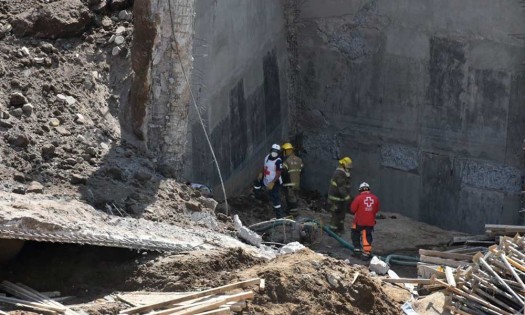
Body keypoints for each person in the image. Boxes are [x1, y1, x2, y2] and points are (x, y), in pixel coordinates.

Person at [350, 182, 380, 260]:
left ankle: (357, 250)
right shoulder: (375, 198)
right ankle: (366, 254)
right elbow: (376, 210)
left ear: (360, 190)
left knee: (355, 233)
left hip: (359, 222)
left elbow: (353, 209)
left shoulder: (358, 198)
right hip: (370, 222)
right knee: (367, 236)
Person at [327, 157, 353, 234]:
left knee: (341, 215)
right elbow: (341, 188)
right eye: (348, 166)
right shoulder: (339, 173)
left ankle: (340, 229)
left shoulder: (344, 173)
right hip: (335, 199)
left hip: (341, 199)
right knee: (335, 215)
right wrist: (348, 198)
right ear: (343, 165)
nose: (349, 168)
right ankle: (333, 231)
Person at [262, 144, 284, 218]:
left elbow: (278, 173)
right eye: (273, 151)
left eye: (276, 152)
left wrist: (273, 182)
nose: (274, 153)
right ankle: (269, 208)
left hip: (275, 182)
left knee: (275, 197)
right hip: (267, 180)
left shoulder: (278, 161)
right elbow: (265, 166)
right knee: (260, 188)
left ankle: (279, 216)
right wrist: (261, 173)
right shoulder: (267, 157)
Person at [281, 142, 303, 216]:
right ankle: (294, 212)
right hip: (297, 183)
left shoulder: (286, 162)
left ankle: (292, 214)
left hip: (289, 183)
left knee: (290, 198)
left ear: (286, 151)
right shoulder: (299, 160)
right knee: (295, 197)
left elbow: (284, 173)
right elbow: (302, 170)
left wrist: (282, 182)